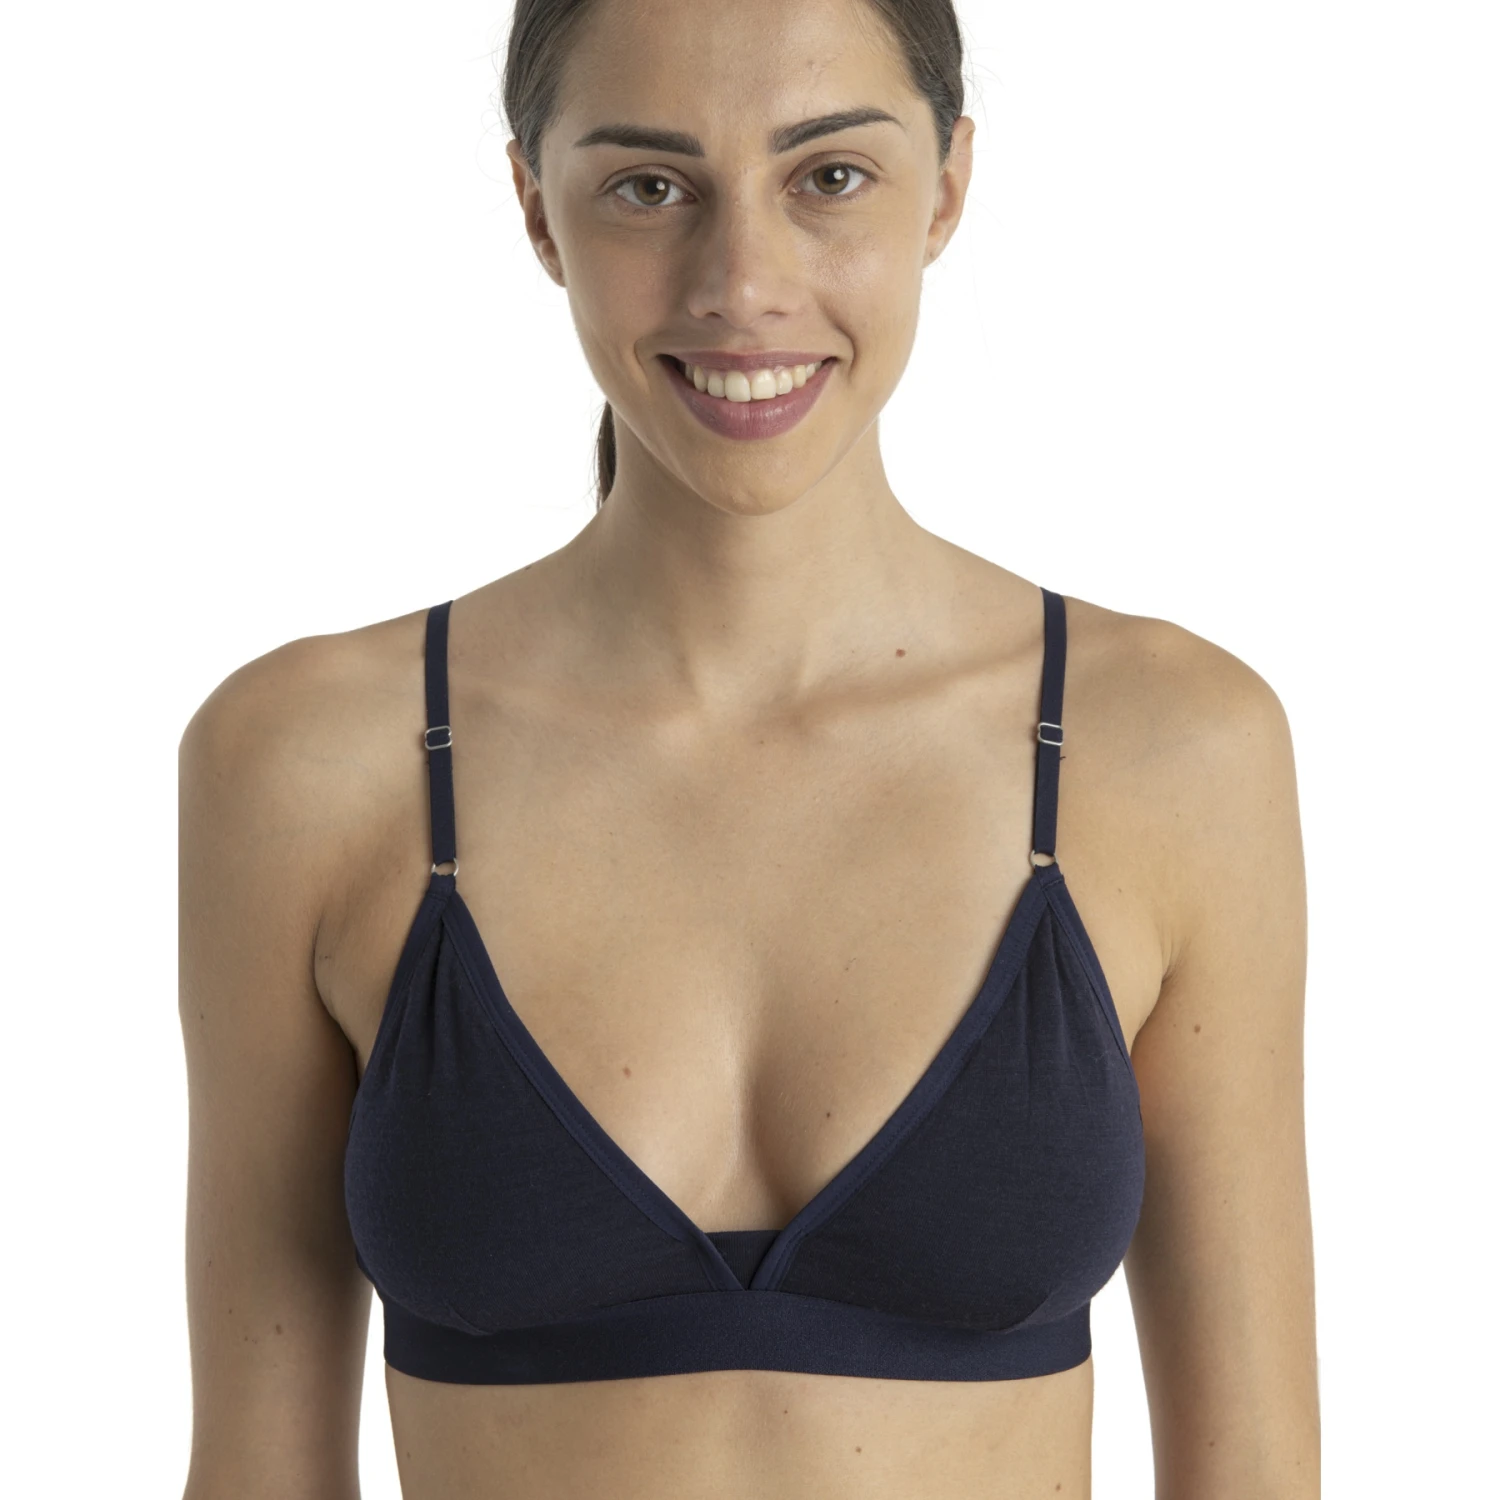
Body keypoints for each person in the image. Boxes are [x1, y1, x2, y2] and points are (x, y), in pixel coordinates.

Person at [177, 0, 1320, 1494]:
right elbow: (258, 1470)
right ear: (536, 205)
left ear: (947, 188)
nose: (743, 284)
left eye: (828, 176)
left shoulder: (1170, 750)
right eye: (650, 186)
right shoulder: (307, 763)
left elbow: (1256, 1470)